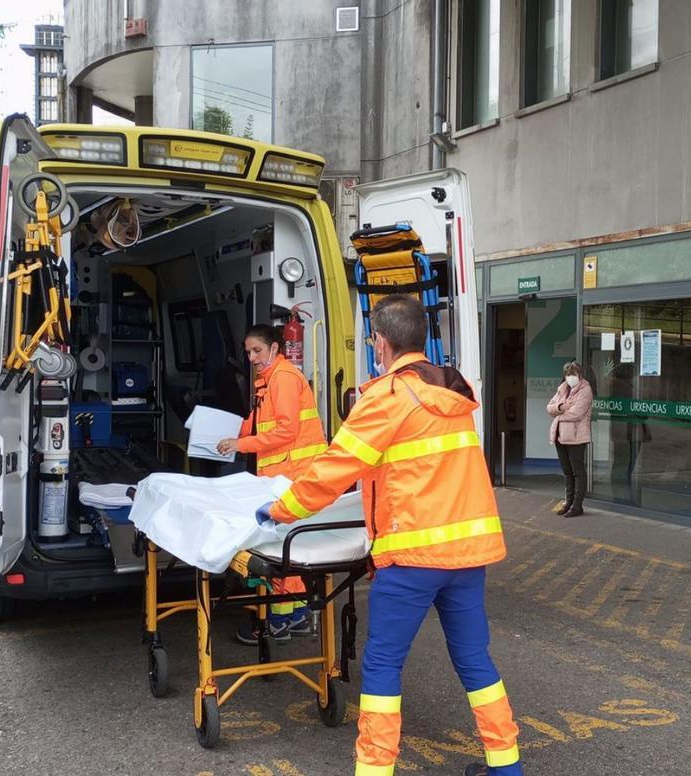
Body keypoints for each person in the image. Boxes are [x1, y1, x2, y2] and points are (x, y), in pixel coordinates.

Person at [256, 294, 522, 776]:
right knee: (474, 662)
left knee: (382, 668)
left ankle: (374, 770)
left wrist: (280, 509)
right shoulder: (452, 392)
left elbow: (333, 470)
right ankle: (506, 766)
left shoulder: (387, 397)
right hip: (466, 555)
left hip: (413, 557)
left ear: (380, 341)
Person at [216, 324, 328, 642]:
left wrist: (241, 445)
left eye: (257, 351)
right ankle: (295, 616)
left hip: (294, 475)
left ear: (275, 349)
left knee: (282, 550)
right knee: (283, 547)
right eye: (248, 351)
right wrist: (228, 433)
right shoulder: (269, 380)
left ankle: (281, 620)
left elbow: (286, 431)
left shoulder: (283, 379)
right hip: (285, 474)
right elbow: (257, 422)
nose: (251, 357)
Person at [546, 362, 593, 517]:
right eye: (568, 374)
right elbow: (549, 407)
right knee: (567, 472)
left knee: (578, 472)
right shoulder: (563, 389)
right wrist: (561, 407)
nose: (571, 377)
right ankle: (569, 502)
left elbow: (577, 413)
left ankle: (577, 506)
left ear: (579, 375)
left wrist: (559, 413)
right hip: (560, 436)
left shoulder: (585, 390)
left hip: (576, 437)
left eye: (574, 374)